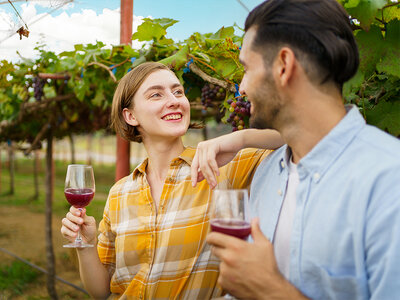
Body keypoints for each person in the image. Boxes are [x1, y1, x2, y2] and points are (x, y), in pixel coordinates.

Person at [192, 0, 400, 299]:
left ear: (283, 65)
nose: (241, 88)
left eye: (246, 69)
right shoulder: (267, 173)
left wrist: (272, 291)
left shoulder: (390, 182)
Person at [60, 62, 283, 299]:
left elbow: (295, 137)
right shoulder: (119, 193)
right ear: (131, 115)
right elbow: (100, 291)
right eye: (156, 94)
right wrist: (86, 244)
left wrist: (239, 139)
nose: (174, 100)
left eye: (178, 92)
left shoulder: (224, 166)